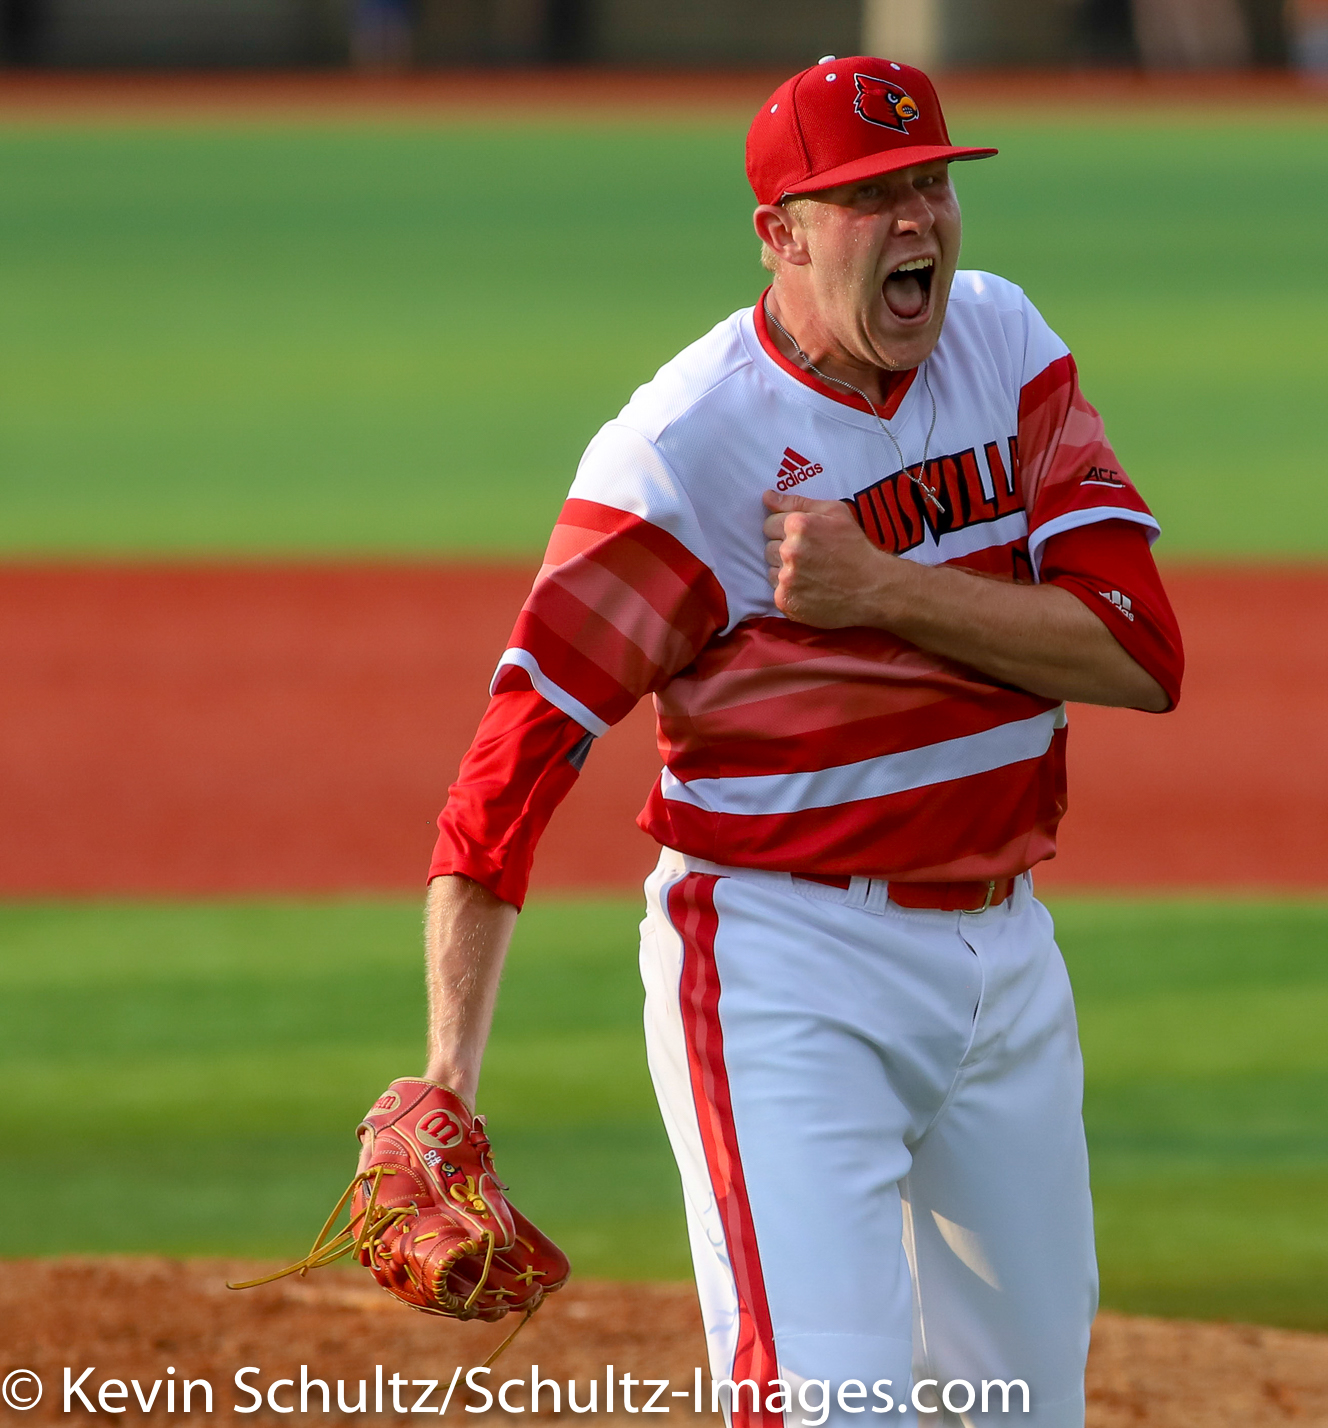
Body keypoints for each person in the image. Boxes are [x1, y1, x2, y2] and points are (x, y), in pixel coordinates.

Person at [422, 55, 1183, 1427]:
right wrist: (446, 1078)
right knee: (828, 1403)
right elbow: (517, 757)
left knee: (1025, 1410)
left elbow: (1139, 650)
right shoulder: (686, 451)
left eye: (933, 184)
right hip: (787, 965)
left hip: (1009, 958)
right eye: (872, 197)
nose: (919, 221)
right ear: (779, 235)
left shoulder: (1005, 346)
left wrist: (879, 591)